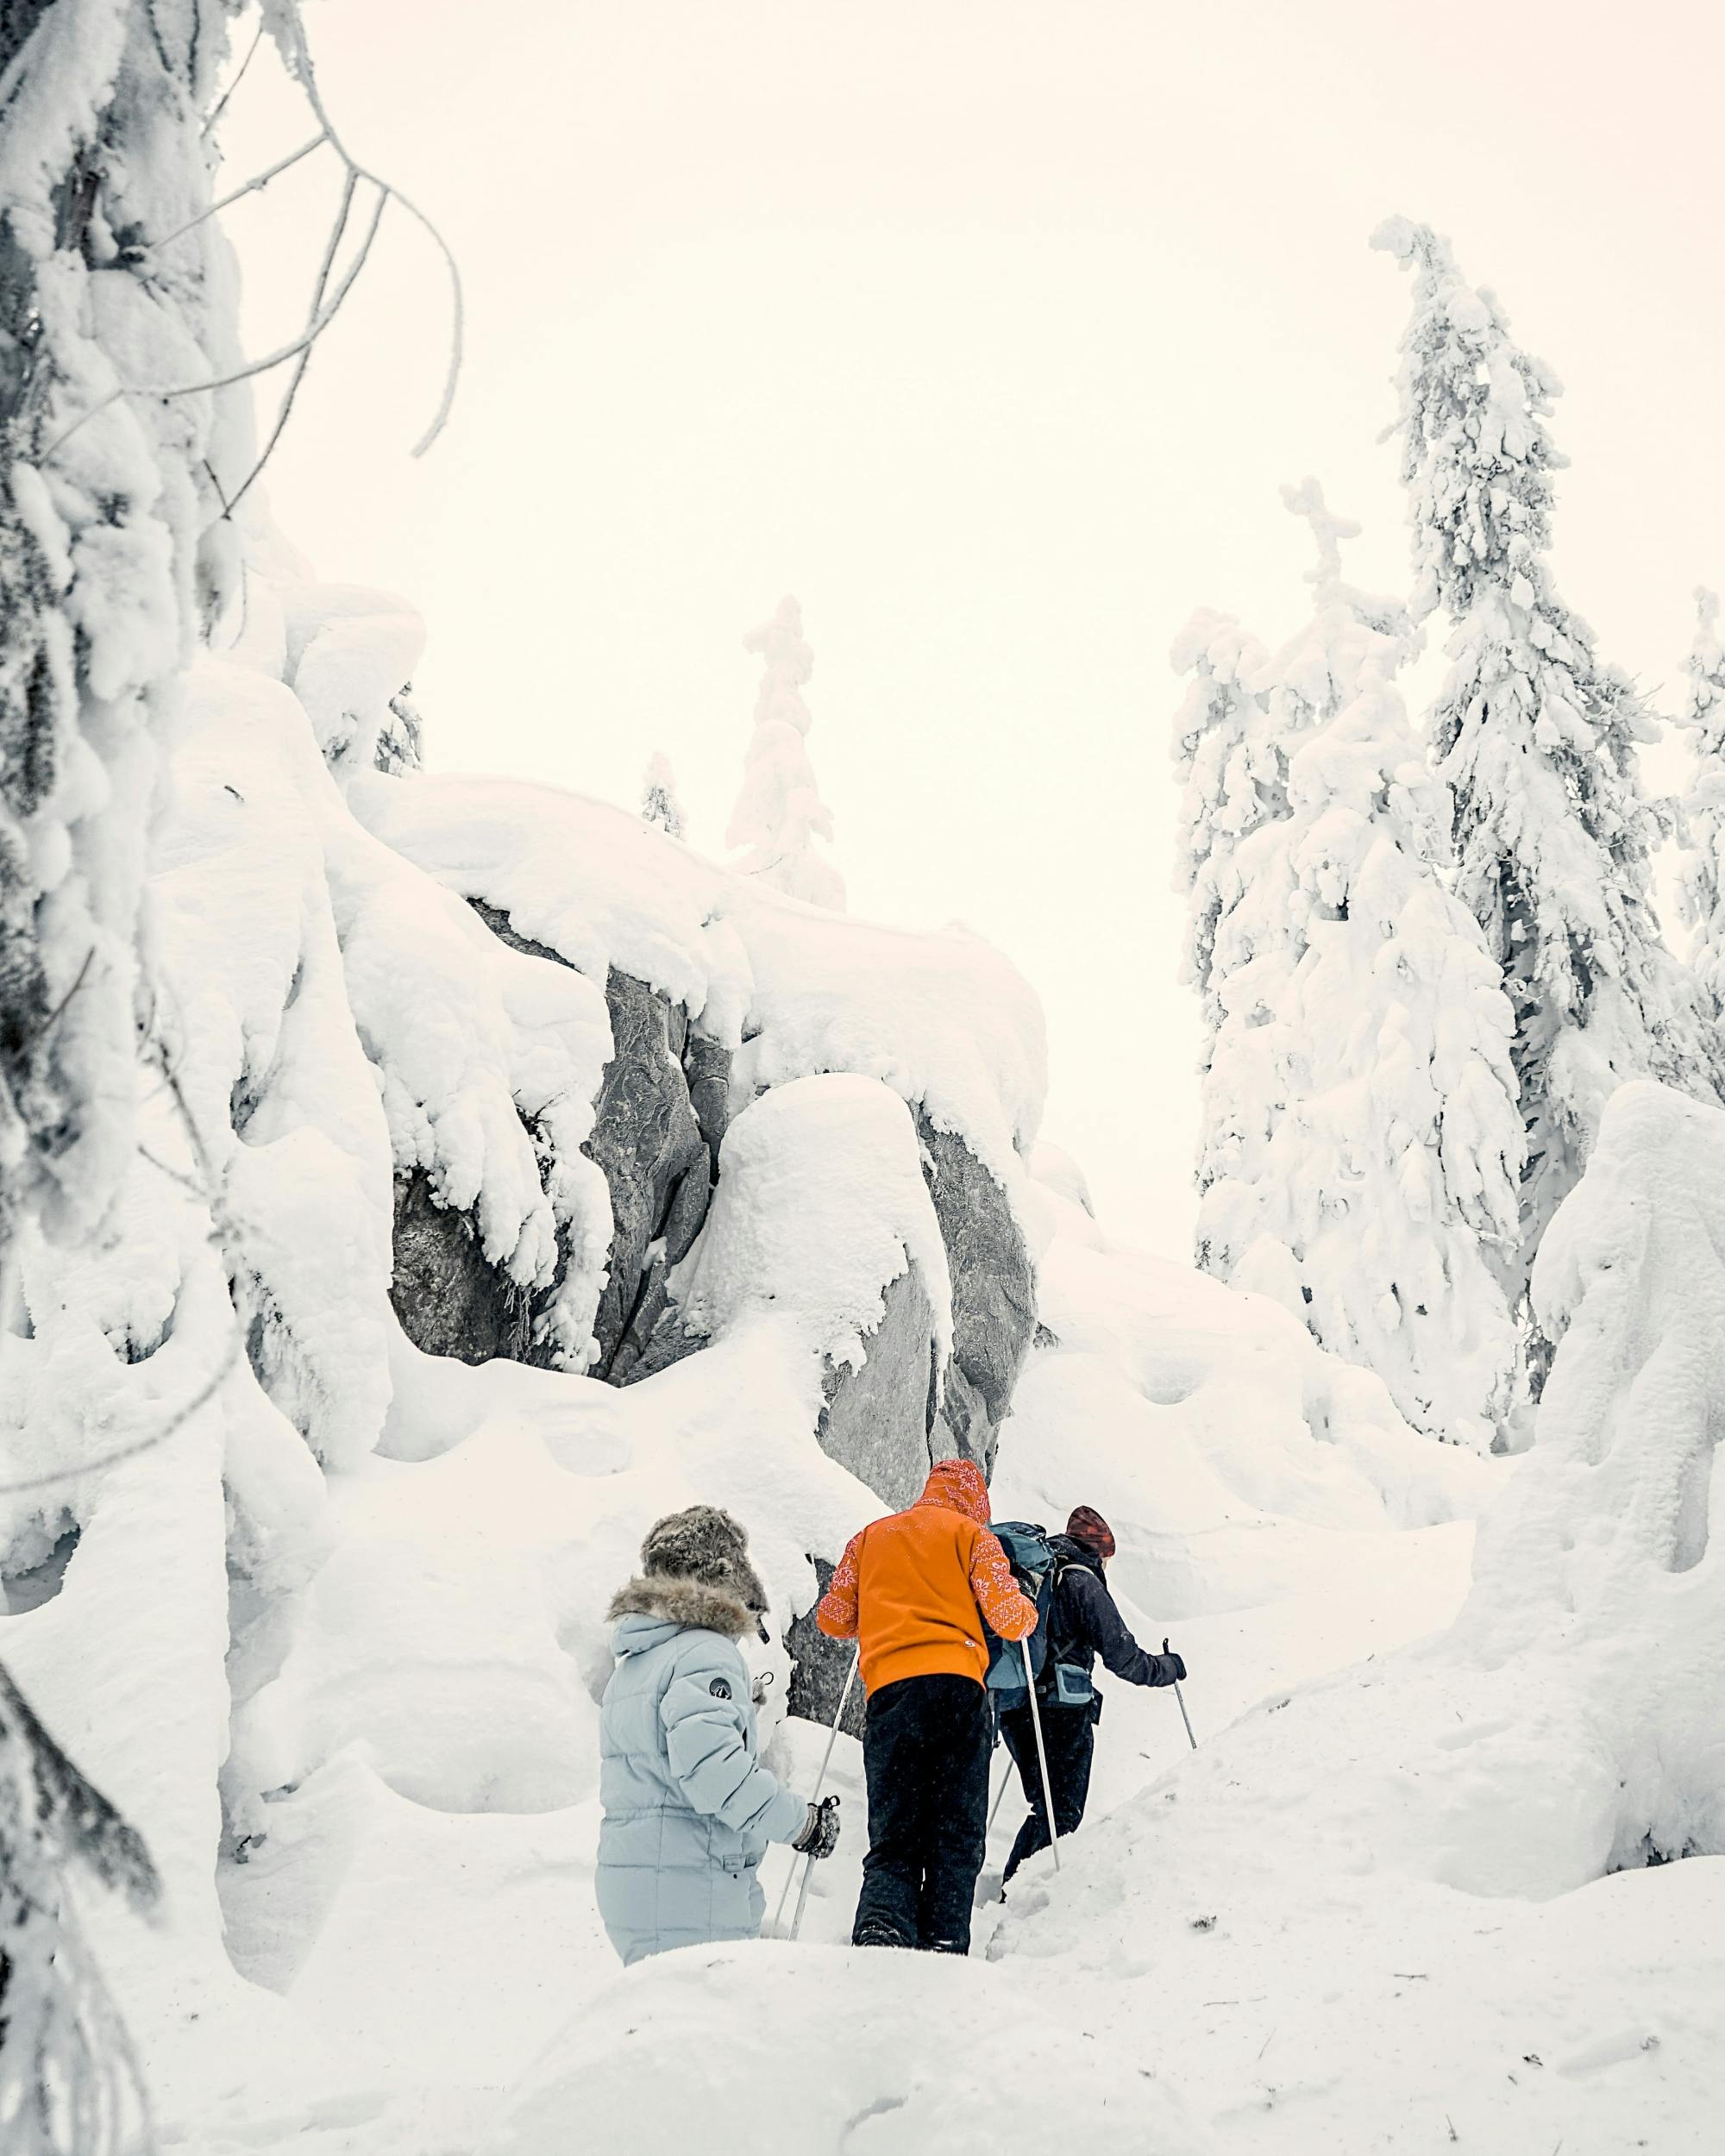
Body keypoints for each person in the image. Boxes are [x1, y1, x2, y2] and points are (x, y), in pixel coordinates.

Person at [595, 1504, 839, 1965]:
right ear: (722, 1573)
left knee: (665, 2024)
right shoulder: (704, 1652)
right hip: (688, 1886)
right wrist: (802, 1823)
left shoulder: (637, 1661)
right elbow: (716, 1778)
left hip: (640, 1880)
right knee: (699, 2028)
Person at [816, 1457, 1037, 1953]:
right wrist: (1025, 1599)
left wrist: (884, 1609)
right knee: (956, 1826)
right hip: (959, 1689)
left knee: (895, 1825)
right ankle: (944, 1936)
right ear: (975, 1501)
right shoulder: (973, 1537)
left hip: (891, 1692)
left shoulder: (872, 1536)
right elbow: (1012, 1621)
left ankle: (883, 1925)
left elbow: (832, 1619)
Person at [998, 1504, 1187, 1884]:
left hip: (1016, 1702)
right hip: (1062, 1711)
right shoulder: (1082, 1580)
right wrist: (1168, 1668)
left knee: (1046, 1809)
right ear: (1098, 1551)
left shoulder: (1037, 1572)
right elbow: (1122, 1655)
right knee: (1060, 1813)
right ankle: (1017, 1897)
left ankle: (1012, 1892)